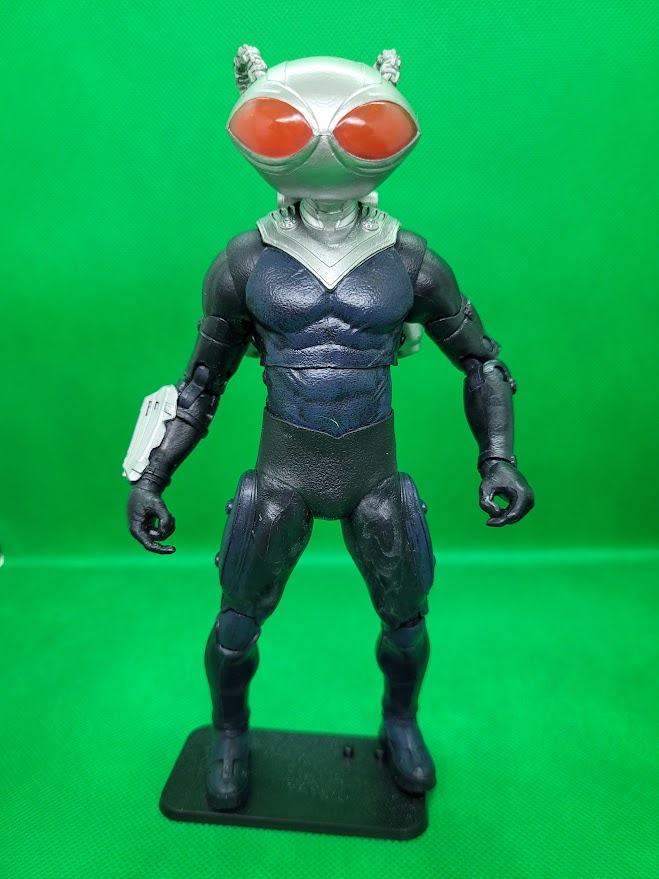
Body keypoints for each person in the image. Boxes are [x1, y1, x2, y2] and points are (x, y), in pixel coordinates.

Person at [123, 47, 534, 811]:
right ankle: (229, 731)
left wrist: (497, 457)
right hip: (283, 469)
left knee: (406, 621)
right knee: (236, 625)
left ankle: (400, 720)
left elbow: (481, 362)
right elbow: (200, 384)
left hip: (373, 471)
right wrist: (151, 474)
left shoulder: (410, 260)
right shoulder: (244, 261)